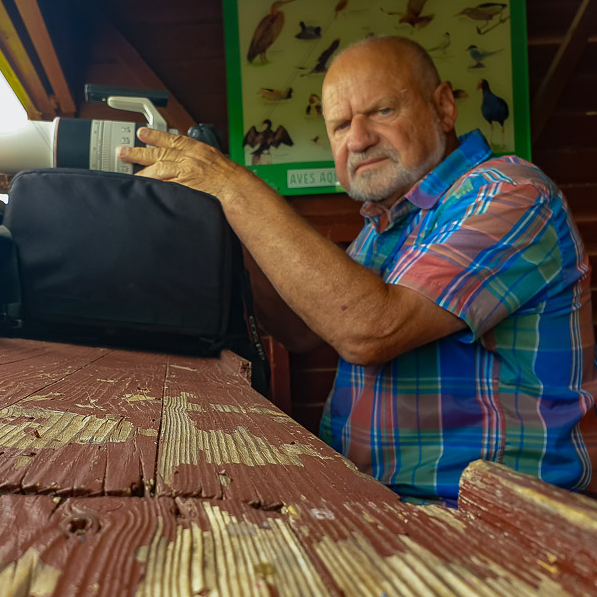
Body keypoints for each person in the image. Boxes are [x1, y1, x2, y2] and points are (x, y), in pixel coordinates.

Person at [118, 35, 597, 505]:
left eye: (383, 111)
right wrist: (230, 223)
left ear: (444, 107)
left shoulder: (508, 192)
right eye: (341, 125)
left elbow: (369, 329)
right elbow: (303, 331)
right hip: (385, 505)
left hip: (494, 518)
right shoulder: (383, 225)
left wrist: (230, 184)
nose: (360, 139)